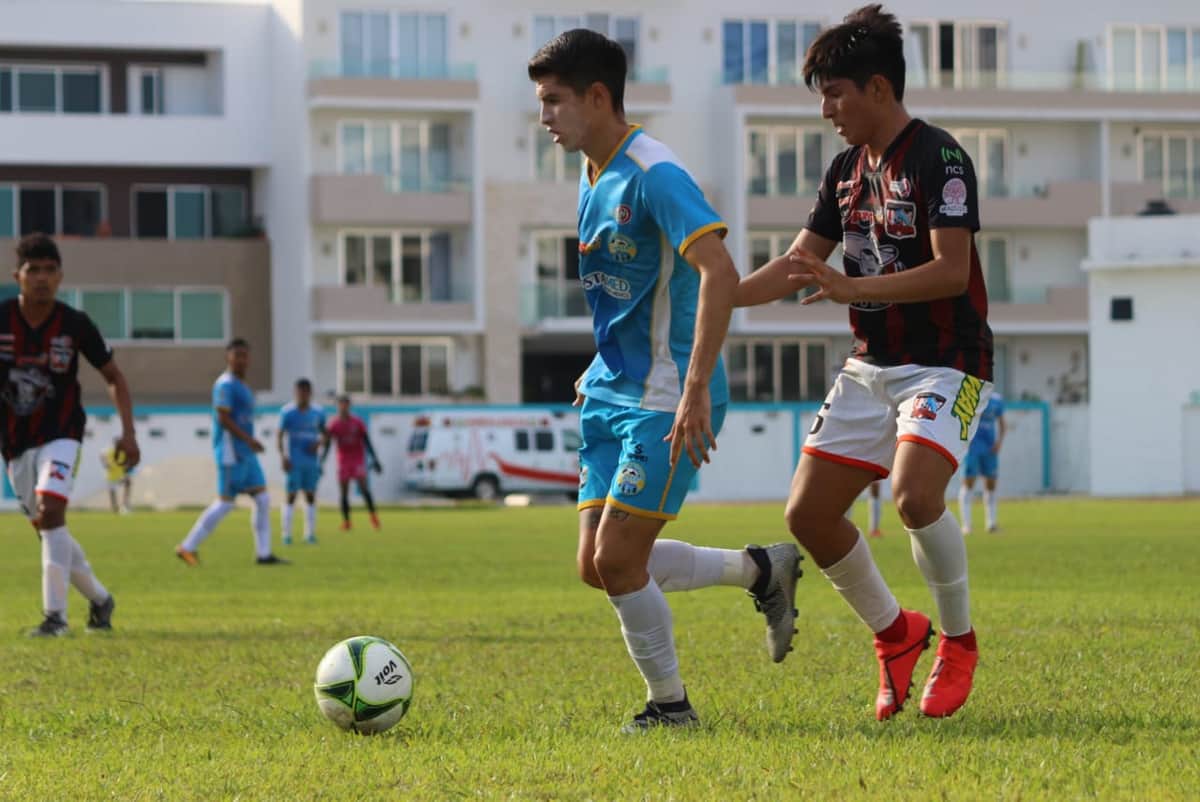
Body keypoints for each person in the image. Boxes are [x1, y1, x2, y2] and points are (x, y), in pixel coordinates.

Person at [530, 28, 802, 734]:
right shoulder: (592, 174)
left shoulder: (654, 172)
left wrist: (695, 387)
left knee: (620, 560)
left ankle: (671, 708)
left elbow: (720, 272)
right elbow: (627, 296)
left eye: (554, 101)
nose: (544, 116)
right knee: (597, 565)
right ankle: (760, 570)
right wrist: (599, 366)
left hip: (665, 394)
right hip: (612, 391)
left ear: (597, 96)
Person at [734, 4, 994, 720]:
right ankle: (896, 634)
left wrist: (853, 287)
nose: (826, 110)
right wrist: (717, 296)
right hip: (871, 365)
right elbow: (797, 264)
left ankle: (959, 642)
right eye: (821, 94)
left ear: (879, 88)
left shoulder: (940, 159)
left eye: (835, 92)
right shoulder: (846, 170)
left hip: (949, 364)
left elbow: (950, 272)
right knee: (808, 516)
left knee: (914, 497)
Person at [2, 233, 135, 636]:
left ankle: (54, 619)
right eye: (33, 270)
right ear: (17, 276)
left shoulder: (75, 325)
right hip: (14, 446)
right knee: (48, 525)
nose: (41, 278)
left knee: (52, 510)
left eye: (49, 270)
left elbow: (114, 377)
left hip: (62, 434)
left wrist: (129, 433)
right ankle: (99, 599)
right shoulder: (1, 319)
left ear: (60, 276)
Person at [176, 339, 287, 566]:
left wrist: (249, 443)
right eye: (237, 355)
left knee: (263, 499)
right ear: (228, 357)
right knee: (225, 503)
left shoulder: (243, 386)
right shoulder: (225, 385)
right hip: (230, 452)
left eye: (245, 355)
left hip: (246, 452)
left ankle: (263, 554)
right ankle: (187, 547)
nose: (242, 360)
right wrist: (248, 439)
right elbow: (223, 418)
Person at [277, 378, 326, 544]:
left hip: (311, 462)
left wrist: (319, 443)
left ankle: (310, 534)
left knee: (310, 496)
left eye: (306, 392)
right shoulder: (287, 412)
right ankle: (286, 535)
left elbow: (326, 433)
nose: (303, 395)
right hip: (294, 461)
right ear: (295, 392)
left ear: (310, 393)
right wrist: (283, 456)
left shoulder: (318, 412)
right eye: (300, 391)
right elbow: (280, 434)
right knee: (291, 496)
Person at [322, 395, 380, 531]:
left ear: (349, 405)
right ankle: (347, 522)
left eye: (345, 404)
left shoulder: (357, 422)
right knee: (344, 492)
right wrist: (321, 461)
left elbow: (367, 441)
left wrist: (375, 459)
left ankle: (373, 518)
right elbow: (327, 444)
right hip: (343, 461)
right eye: (340, 404)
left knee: (364, 489)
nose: (343, 406)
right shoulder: (334, 424)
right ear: (337, 406)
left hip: (358, 459)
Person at [959, 392, 1006, 534]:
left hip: (989, 448)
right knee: (968, 483)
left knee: (991, 484)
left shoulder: (996, 399)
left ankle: (991, 524)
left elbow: (1002, 423)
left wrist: (999, 442)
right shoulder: (968, 395)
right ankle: (967, 525)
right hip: (971, 448)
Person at [101, 436, 133, 514]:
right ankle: (115, 508)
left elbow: (127, 461)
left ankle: (125, 504)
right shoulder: (109, 452)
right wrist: (105, 463)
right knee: (112, 492)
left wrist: (126, 466)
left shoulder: (122, 452)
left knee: (127, 482)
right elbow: (103, 457)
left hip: (120, 476)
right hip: (111, 476)